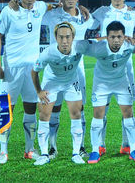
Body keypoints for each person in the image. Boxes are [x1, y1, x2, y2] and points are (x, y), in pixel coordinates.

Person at [0, 0, 48, 164]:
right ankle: (3, 152)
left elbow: (61, 5)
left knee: (31, 109)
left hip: (32, 70)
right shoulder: (9, 10)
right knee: (6, 110)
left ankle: (29, 150)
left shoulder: (41, 7)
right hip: (11, 69)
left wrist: (81, 8)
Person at [76, 21, 135, 164]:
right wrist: (97, 39)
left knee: (129, 117)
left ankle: (133, 149)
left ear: (124, 36)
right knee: (97, 119)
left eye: (119, 37)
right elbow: (78, 44)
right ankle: (95, 150)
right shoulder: (97, 48)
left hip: (121, 82)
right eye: (112, 37)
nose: (116, 40)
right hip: (101, 84)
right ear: (106, 37)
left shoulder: (129, 45)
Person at [91, 0, 135, 156]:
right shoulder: (101, 12)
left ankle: (126, 144)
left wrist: (134, 37)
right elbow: (87, 24)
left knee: (127, 107)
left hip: (126, 64)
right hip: (106, 63)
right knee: (103, 107)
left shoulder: (132, 13)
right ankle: (100, 144)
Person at [41, 0, 94, 159]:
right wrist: (50, 5)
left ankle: (80, 147)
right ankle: (52, 147)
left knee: (80, 108)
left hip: (77, 68)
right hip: (54, 68)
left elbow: (99, 24)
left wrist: (83, 9)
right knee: (53, 107)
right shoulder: (51, 15)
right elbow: (33, 12)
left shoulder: (85, 17)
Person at [31, 22, 85, 165]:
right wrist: (39, 91)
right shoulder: (48, 53)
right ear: (55, 37)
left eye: (67, 37)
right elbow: (34, 71)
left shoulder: (80, 47)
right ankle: (44, 154)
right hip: (52, 82)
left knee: (76, 115)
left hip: (71, 82)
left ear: (73, 37)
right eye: (61, 37)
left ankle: (76, 153)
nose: (64, 41)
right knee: (44, 116)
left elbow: (99, 42)